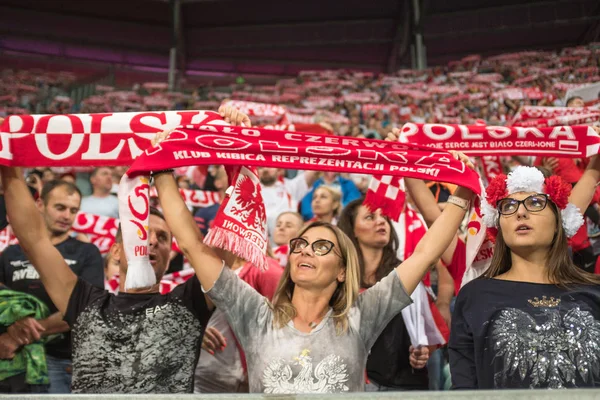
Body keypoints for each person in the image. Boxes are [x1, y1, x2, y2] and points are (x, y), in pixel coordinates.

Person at [154, 124, 475, 393]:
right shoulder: (254, 314)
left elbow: (426, 252)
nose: (306, 250)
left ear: (341, 271)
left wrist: (463, 192)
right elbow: (194, 246)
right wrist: (163, 171)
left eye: (322, 247)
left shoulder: (362, 315)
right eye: (301, 245)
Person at [0, 107, 248, 393]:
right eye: (141, 231)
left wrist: (234, 143)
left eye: (163, 237)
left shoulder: (190, 303)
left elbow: (228, 244)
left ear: (172, 256)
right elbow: (33, 237)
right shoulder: (83, 301)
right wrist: (9, 151)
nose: (152, 240)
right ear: (115, 252)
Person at [449, 158, 600, 389]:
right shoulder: (474, 296)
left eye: (536, 202)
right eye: (508, 206)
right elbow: (464, 389)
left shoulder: (594, 292)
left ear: (560, 220)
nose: (520, 212)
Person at [0, 180, 104, 394]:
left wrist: (19, 336)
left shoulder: (87, 252)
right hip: (11, 361)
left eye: (73, 210)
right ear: (40, 205)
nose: (67, 216)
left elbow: (86, 308)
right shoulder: (10, 254)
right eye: (60, 207)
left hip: (60, 362)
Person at [338, 199, 430, 391]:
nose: (381, 222)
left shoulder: (406, 274)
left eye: (384, 218)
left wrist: (422, 351)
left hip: (399, 384)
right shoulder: (338, 277)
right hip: (348, 384)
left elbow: (428, 332)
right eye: (370, 217)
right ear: (352, 230)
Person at [258, 168, 319, 239]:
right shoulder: (249, 189)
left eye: (269, 166)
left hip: (288, 240)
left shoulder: (291, 186)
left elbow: (315, 168)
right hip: (259, 239)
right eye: (260, 167)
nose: (265, 169)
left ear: (278, 169)